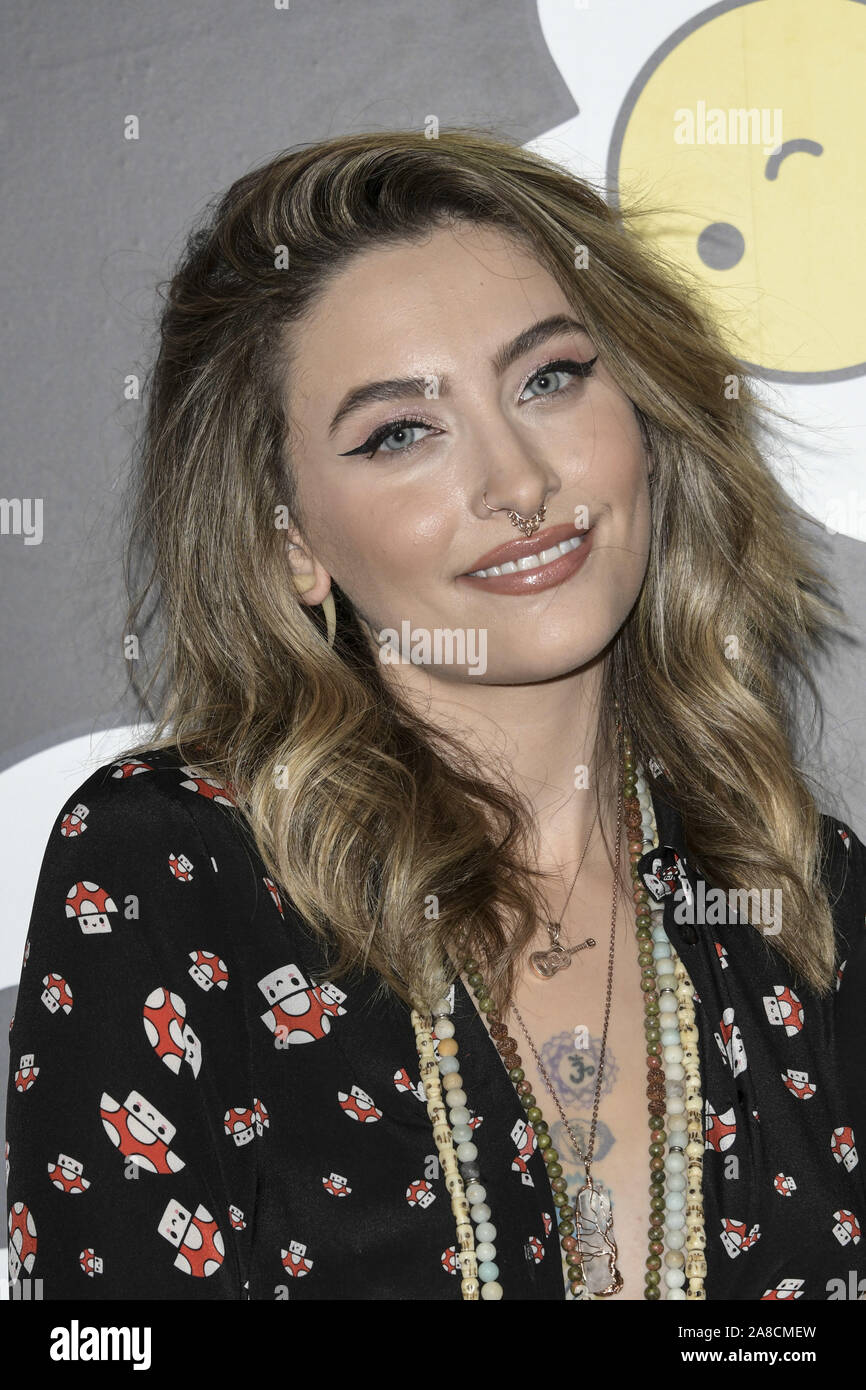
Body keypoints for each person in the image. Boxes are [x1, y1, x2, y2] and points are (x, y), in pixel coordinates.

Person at [6, 128, 865, 1303]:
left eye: (548, 378)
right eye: (399, 432)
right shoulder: (171, 866)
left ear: (647, 420)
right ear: (292, 541)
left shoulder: (802, 896)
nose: (516, 483)